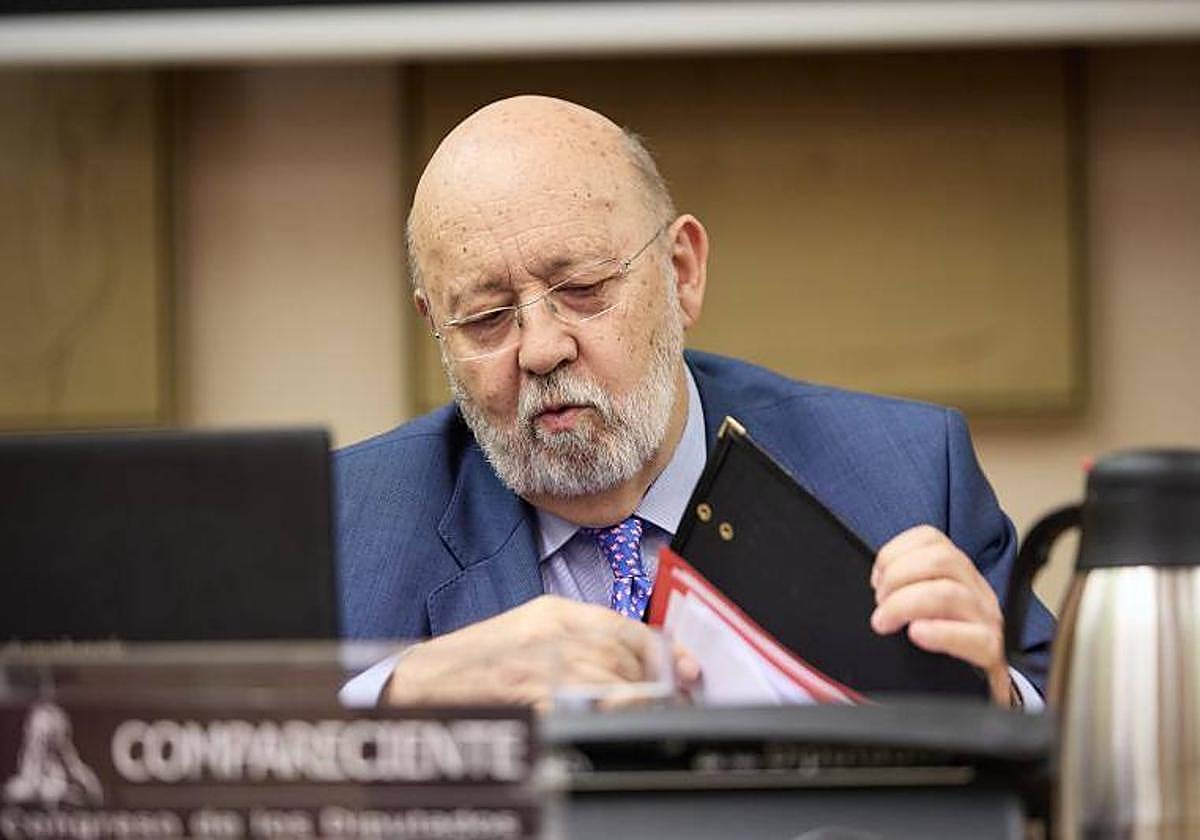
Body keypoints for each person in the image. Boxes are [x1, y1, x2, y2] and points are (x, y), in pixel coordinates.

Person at [336, 95, 1055, 708]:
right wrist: (400, 694)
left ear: (681, 273)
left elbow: (1063, 721)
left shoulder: (904, 476)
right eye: (487, 317)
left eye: (583, 289)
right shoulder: (347, 528)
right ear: (436, 328)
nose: (541, 349)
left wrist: (990, 693)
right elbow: (238, 765)